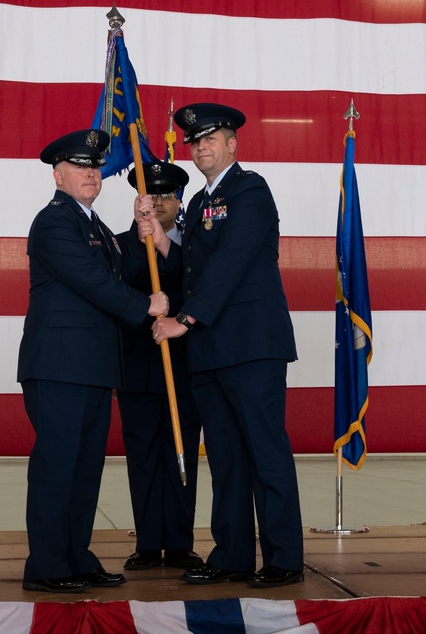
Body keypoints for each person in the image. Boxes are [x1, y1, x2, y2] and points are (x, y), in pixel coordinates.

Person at [145, 103, 304, 589]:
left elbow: (231, 262)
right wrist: (160, 237)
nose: (201, 146)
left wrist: (185, 320)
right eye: (195, 141)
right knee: (228, 458)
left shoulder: (251, 190)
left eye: (211, 138)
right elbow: (192, 266)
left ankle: (282, 558)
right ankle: (232, 554)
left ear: (233, 143)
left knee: (264, 451)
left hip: (252, 345)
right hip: (211, 350)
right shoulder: (195, 204)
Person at [17, 128, 169, 594]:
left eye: (95, 167)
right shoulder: (54, 222)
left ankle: (74, 557)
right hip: (60, 366)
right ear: (58, 175)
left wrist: (148, 229)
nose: (90, 173)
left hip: (92, 368)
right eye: (80, 167)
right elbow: (90, 280)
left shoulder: (95, 226)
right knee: (58, 467)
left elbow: (121, 270)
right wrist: (146, 305)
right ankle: (46, 566)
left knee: (84, 471)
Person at [115, 161, 204, 573]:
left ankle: (180, 543)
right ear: (139, 202)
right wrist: (142, 238)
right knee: (144, 458)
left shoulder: (194, 246)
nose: (160, 203)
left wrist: (163, 245)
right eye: (152, 196)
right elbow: (122, 290)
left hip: (185, 369)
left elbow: (197, 288)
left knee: (180, 454)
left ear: (179, 200)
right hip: (137, 370)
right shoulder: (120, 244)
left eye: (168, 195)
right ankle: (149, 543)